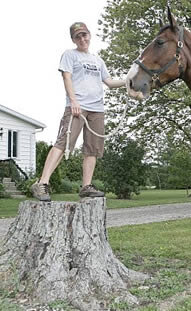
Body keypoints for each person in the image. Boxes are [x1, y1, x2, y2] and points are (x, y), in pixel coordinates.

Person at [31, 22, 126, 201]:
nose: (82, 39)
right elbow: (66, 77)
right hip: (77, 108)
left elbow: (110, 82)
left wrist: (128, 81)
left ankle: (86, 187)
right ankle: (42, 183)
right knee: (63, 143)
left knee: (92, 149)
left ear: (89, 35)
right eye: (78, 36)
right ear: (73, 39)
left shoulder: (98, 61)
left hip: (97, 110)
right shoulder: (70, 55)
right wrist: (73, 101)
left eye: (84, 35)